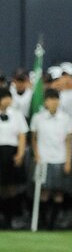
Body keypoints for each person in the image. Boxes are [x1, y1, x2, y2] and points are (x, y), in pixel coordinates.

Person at [30, 88, 72, 229]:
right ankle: (42, 222)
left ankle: (53, 224)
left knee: (58, 192)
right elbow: (33, 139)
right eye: (50, 99)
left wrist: (68, 161)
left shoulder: (65, 118)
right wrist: (37, 156)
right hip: (43, 159)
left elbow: (69, 141)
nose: (54, 102)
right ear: (45, 102)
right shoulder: (38, 118)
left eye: (56, 99)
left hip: (60, 158)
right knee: (44, 192)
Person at [0, 90, 25, 227]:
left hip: (11, 152)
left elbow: (21, 135)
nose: (8, 100)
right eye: (5, 98)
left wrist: (20, 154)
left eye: (9, 98)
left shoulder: (16, 114)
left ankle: (11, 218)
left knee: (12, 186)